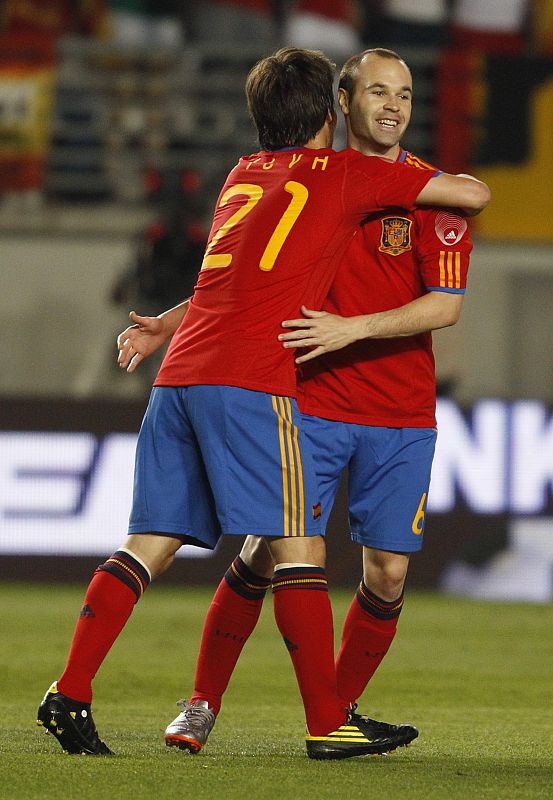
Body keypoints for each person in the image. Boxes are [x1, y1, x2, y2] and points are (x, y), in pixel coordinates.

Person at [37, 47, 489, 760]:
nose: (393, 106)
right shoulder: (348, 177)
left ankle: (70, 690)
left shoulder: (244, 173)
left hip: (187, 373)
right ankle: (315, 720)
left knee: (149, 545)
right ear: (334, 107)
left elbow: (240, 276)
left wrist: (164, 323)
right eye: (376, 91)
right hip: (261, 385)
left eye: (403, 93)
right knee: (290, 552)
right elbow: (473, 194)